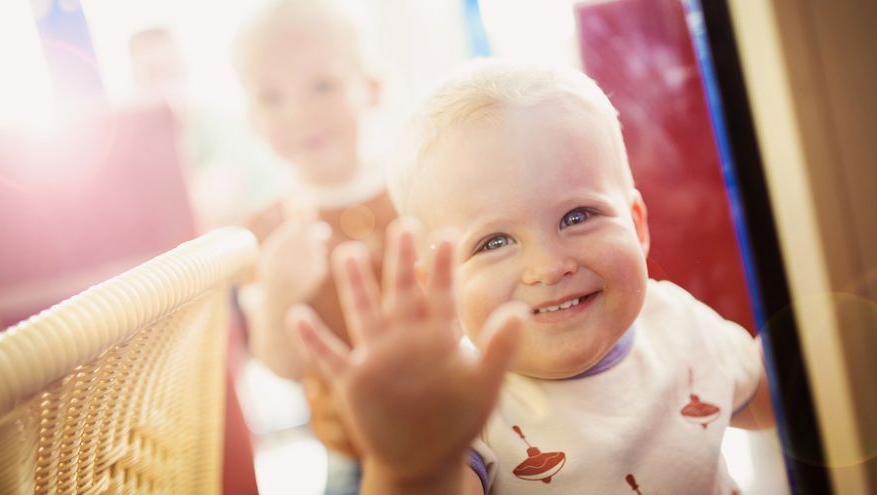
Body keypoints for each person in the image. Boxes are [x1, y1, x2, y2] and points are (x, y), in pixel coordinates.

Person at [290, 59, 776, 494]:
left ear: (638, 225)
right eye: (494, 242)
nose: (548, 265)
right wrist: (410, 467)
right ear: (438, 281)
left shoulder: (678, 320)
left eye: (579, 215)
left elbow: (779, 400)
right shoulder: (466, 406)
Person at [231, 0, 397, 493]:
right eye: (272, 97)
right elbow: (281, 367)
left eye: (321, 86)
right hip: (354, 452)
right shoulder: (264, 230)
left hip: (468, 431)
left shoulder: (418, 188)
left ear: (370, 88)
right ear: (252, 118)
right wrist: (280, 293)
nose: (299, 112)